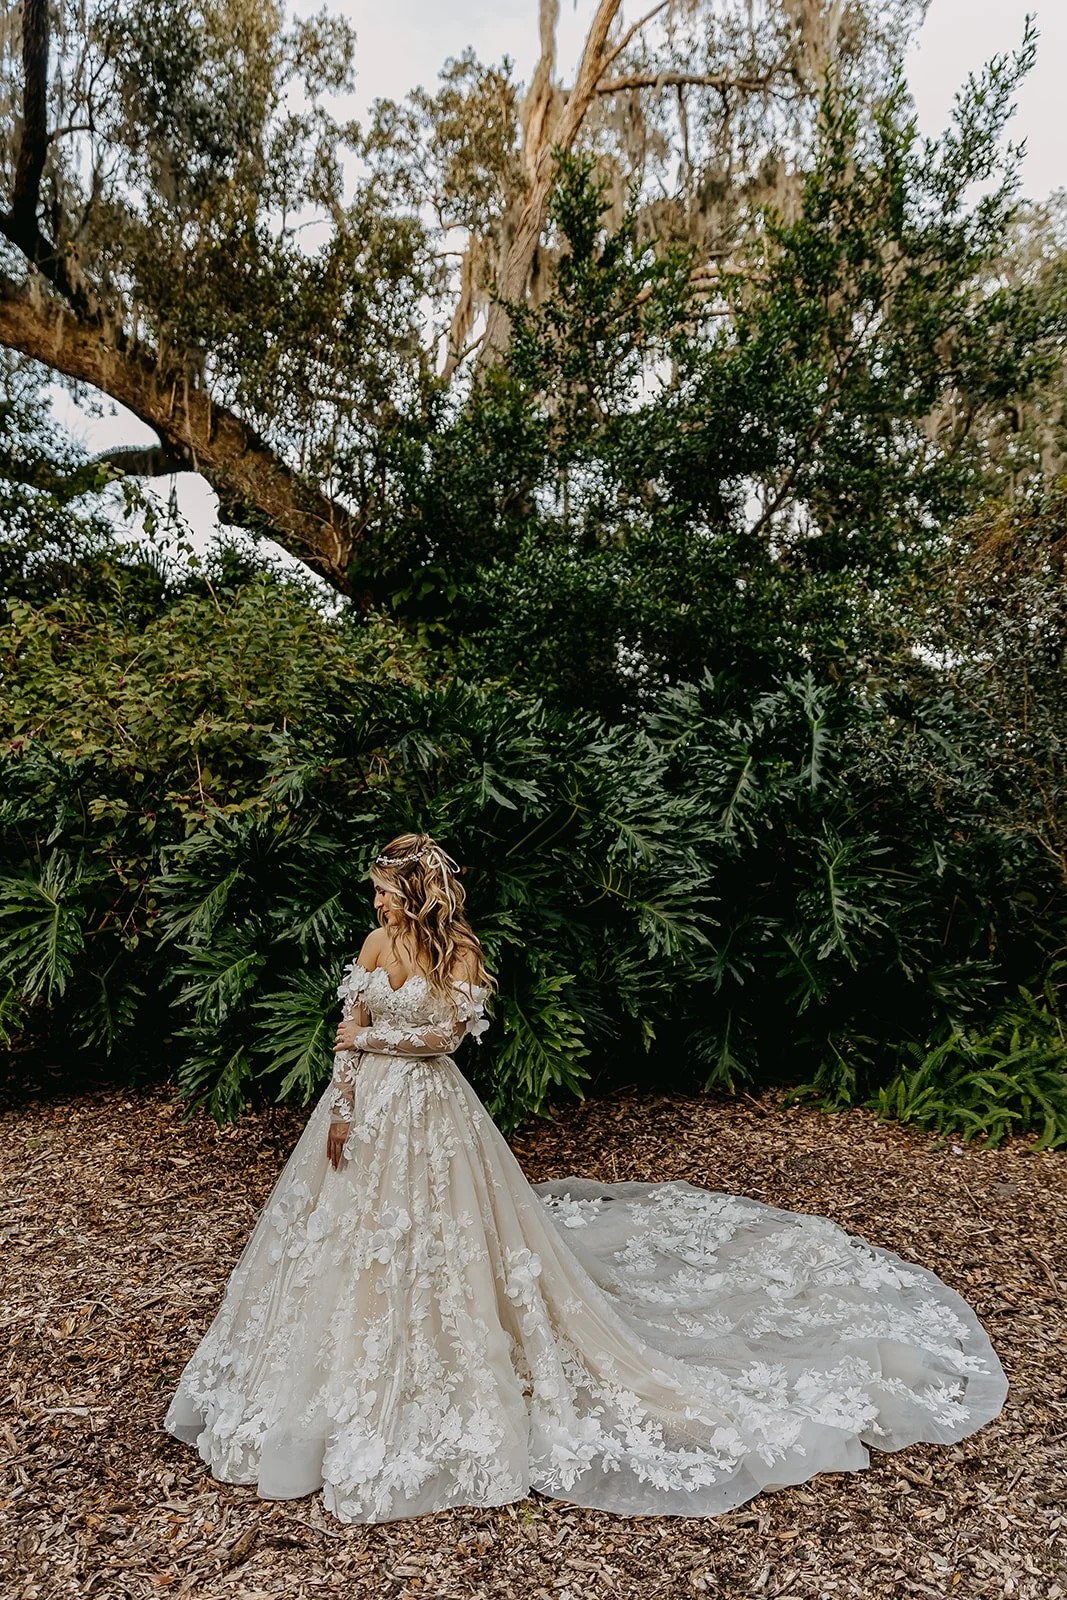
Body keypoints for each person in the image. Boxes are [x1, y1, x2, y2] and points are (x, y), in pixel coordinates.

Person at [163, 831, 1008, 1525]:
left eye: (384, 890)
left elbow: (441, 1042)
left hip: (431, 1110)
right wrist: (342, 1102)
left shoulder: (459, 953)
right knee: (345, 1238)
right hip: (366, 1111)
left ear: (416, 893)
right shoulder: (375, 943)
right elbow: (347, 1021)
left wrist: (368, 1048)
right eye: (376, 891)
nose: (375, 901)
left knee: (445, 1231)